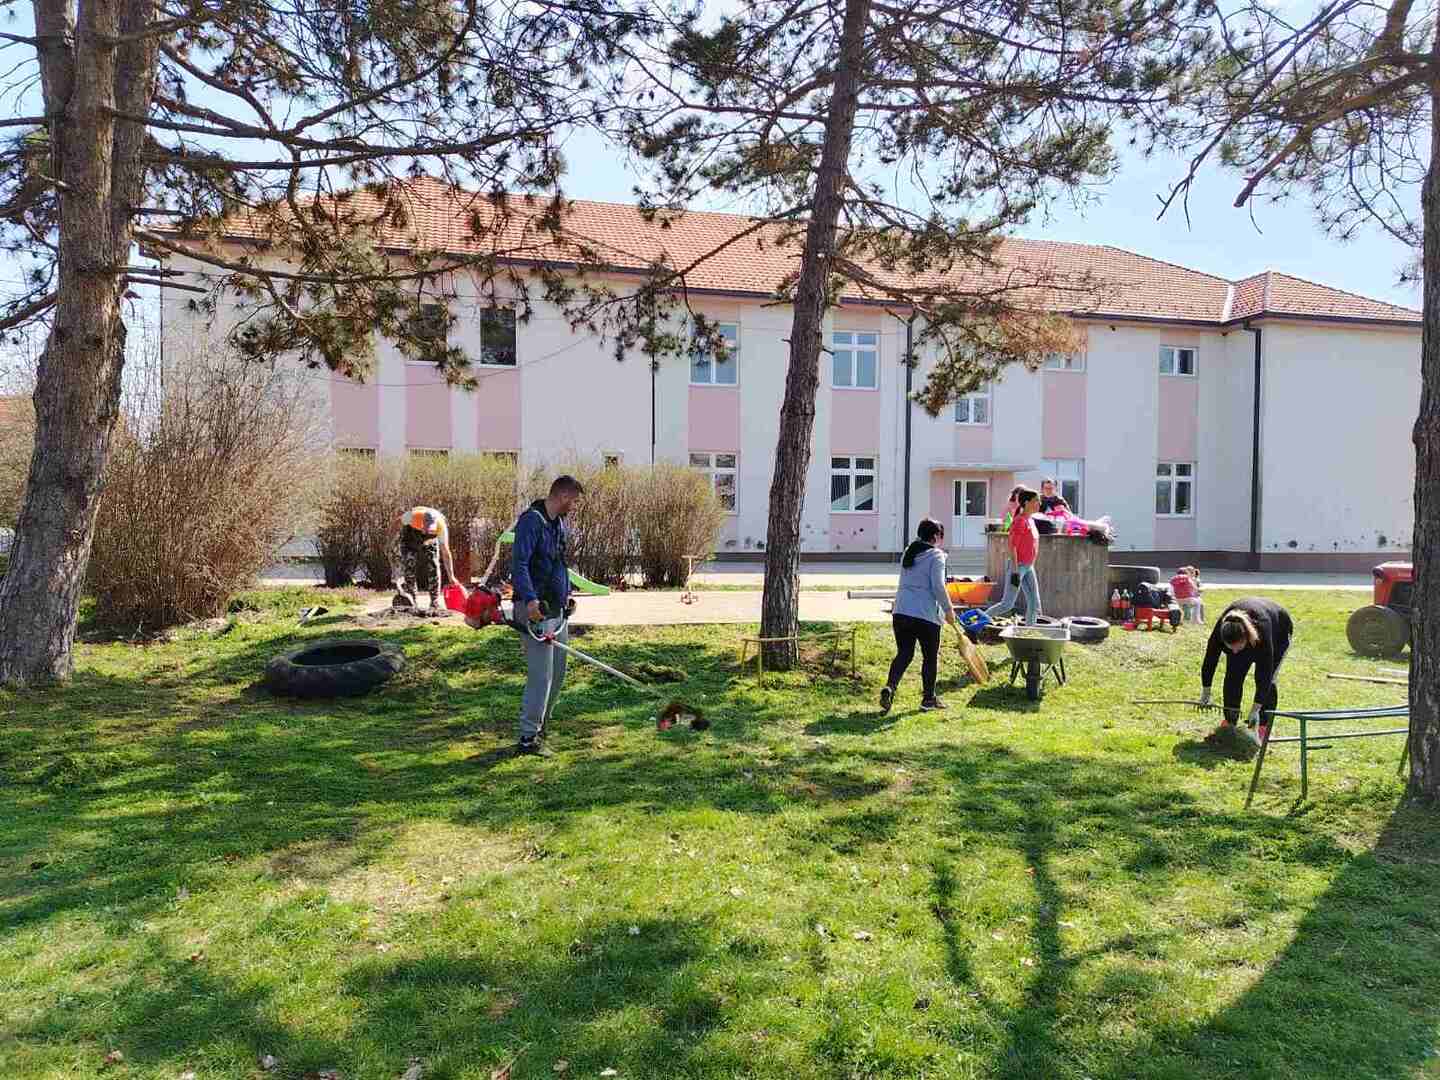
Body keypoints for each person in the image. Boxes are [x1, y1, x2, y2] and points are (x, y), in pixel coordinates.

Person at [511, 475, 585, 756]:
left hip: (556, 609)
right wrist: (530, 600)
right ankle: (527, 738)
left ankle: (542, 726)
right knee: (541, 677)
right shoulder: (531, 521)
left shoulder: (557, 524)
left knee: (559, 672)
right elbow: (519, 564)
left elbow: (558, 564)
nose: (573, 507)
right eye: (573, 501)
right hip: (535, 610)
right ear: (563, 496)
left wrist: (567, 596)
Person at [880, 518, 959, 713]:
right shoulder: (936, 555)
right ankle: (928, 699)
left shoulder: (909, 551)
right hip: (925, 614)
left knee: (904, 653)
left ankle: (890, 687)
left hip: (901, 611)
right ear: (936, 536)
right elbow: (938, 586)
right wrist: (949, 609)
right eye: (941, 536)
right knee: (930, 657)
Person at [1199, 598, 1294, 747]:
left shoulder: (1262, 633)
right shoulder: (1221, 633)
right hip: (1248, 635)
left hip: (1279, 633)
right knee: (1233, 677)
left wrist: (1256, 709)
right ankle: (1230, 720)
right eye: (1230, 648)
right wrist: (1206, 692)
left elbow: (1265, 676)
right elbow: (1209, 661)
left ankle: (1262, 725)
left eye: (1237, 647)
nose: (1234, 652)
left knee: (1269, 680)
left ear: (1246, 638)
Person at [984, 487, 1042, 626]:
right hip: (1018, 566)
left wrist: (1030, 564)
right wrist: (1015, 570)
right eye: (1036, 501)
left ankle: (1029, 631)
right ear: (1026, 503)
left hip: (1028, 566)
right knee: (1007, 604)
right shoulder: (1020, 521)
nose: (1039, 504)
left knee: (1034, 603)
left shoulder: (1031, 521)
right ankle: (978, 620)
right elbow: (1012, 546)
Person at [391, 506, 459, 611]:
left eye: (430, 530)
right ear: (422, 523)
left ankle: (434, 602)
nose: (427, 532)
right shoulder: (413, 516)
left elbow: (446, 552)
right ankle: (411, 601)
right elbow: (397, 523)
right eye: (426, 529)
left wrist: (451, 576)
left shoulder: (441, 527)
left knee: (434, 565)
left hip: (431, 540)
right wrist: (392, 542)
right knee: (409, 564)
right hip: (410, 535)